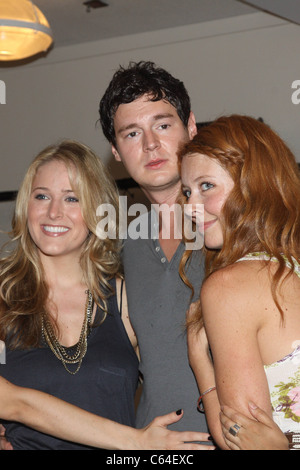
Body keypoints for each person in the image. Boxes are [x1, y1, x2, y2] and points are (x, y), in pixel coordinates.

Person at [0, 139, 213, 450]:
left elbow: (170, 380)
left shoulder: (125, 297)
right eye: (41, 196)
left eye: (72, 199)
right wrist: (136, 442)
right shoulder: (4, 297)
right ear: (25, 206)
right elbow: (11, 402)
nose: (54, 212)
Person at [179, 114, 300, 450]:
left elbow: (241, 438)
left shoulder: (228, 287)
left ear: (253, 183)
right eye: (187, 192)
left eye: (206, 186)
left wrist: (200, 361)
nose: (190, 206)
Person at [99, 61, 208, 434]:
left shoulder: (238, 228)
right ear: (115, 150)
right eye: (131, 134)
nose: (150, 144)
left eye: (163, 125)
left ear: (190, 127)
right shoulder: (119, 250)